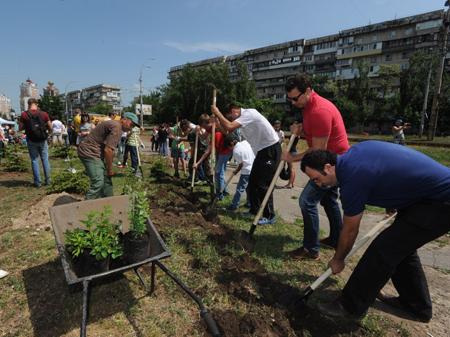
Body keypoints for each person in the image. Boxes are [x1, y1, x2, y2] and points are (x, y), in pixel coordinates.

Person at [299, 141, 450, 322]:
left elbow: (350, 229)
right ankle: (416, 306)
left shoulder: (352, 177)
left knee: (383, 249)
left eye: (316, 179)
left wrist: (338, 259)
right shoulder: (351, 157)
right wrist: (393, 200)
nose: (318, 184)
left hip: (441, 201)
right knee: (401, 249)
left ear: (328, 167)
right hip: (426, 197)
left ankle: (349, 307)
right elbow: (385, 170)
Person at [283, 73, 350, 259]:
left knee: (306, 201)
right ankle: (336, 239)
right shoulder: (307, 106)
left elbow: (317, 151)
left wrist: (292, 157)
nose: (293, 103)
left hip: (332, 163)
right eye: (290, 99)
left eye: (295, 98)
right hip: (329, 158)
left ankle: (311, 249)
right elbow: (313, 132)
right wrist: (300, 130)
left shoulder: (320, 110)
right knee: (329, 200)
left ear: (308, 91)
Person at [212, 103, 280, 225]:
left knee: (263, 184)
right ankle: (254, 210)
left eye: (231, 117)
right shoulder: (243, 121)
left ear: (234, 111)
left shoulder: (249, 113)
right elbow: (228, 131)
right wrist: (218, 123)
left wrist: (217, 112)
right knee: (252, 183)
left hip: (270, 149)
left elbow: (230, 126)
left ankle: (269, 215)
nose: (232, 120)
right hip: (260, 152)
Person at [77, 112, 138, 199]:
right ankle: (84, 208)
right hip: (90, 152)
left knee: (106, 179)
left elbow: (110, 150)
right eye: (131, 124)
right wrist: (109, 169)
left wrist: (108, 168)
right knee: (98, 182)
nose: (131, 128)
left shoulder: (116, 126)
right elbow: (108, 150)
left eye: (134, 126)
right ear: (124, 120)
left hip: (95, 152)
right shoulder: (117, 127)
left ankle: (109, 202)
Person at [19, 98, 52, 187]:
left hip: (31, 139)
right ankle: (48, 181)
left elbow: (20, 128)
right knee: (45, 159)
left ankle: (37, 182)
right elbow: (50, 126)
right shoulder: (43, 113)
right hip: (42, 139)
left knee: (34, 160)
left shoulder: (24, 114)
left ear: (28, 104)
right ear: (36, 104)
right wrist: (48, 132)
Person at [224, 135, 255, 211]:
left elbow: (241, 165)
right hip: (254, 168)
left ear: (231, 144)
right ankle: (249, 203)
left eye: (228, 147)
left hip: (246, 171)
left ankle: (234, 205)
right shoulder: (245, 142)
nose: (229, 149)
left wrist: (236, 171)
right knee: (249, 188)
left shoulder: (236, 151)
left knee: (239, 189)